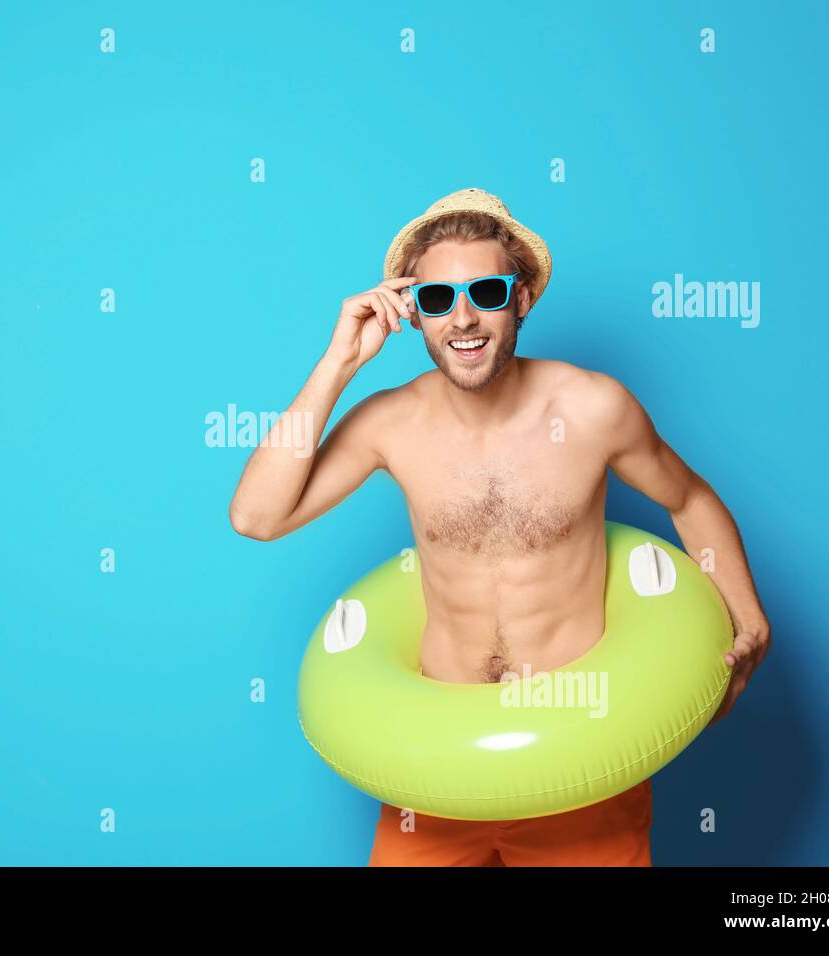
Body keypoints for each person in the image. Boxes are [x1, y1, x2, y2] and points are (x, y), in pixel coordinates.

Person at [228, 187, 771, 866]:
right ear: (413, 314)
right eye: (436, 300)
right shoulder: (390, 425)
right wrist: (339, 362)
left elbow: (689, 498)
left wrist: (750, 617)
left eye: (485, 292)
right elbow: (256, 516)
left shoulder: (593, 407)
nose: (463, 319)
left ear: (521, 298)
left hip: (580, 762)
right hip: (434, 768)